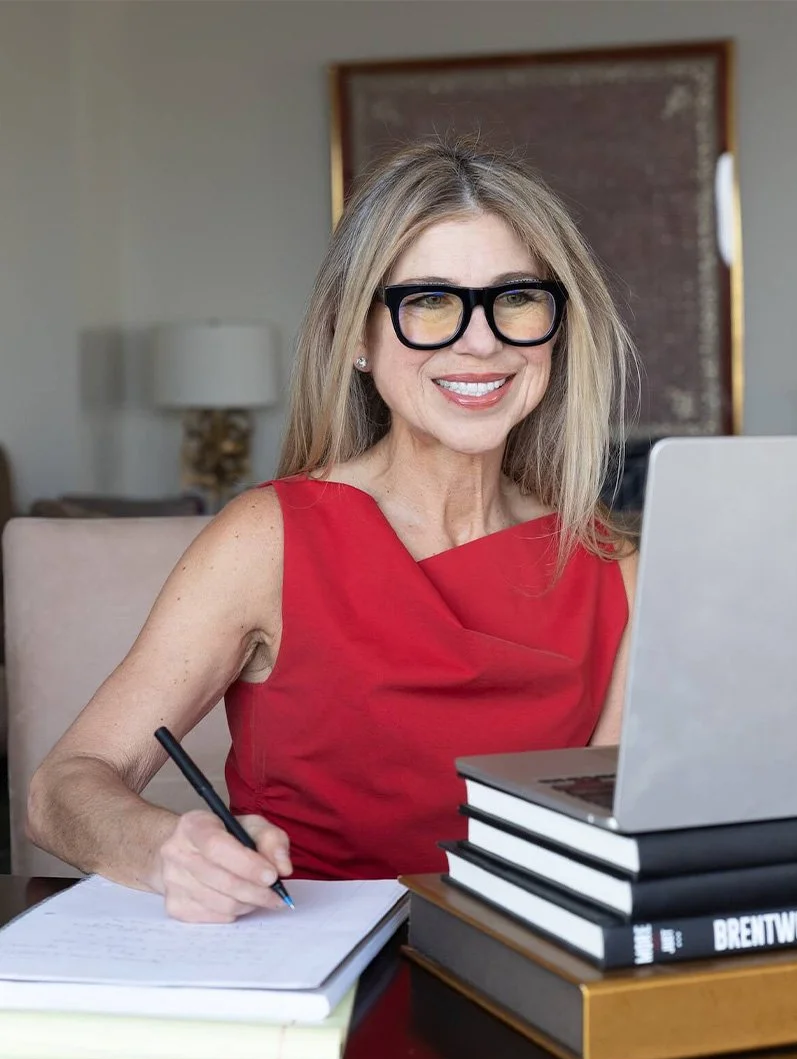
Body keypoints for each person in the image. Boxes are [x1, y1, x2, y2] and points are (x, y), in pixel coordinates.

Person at [27, 139, 640, 923]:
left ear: (557, 326)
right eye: (427, 301)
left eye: (516, 297)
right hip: (311, 978)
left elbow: (608, 850)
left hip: (531, 977)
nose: (480, 341)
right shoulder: (268, 540)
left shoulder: (612, 567)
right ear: (356, 336)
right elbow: (62, 787)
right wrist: (160, 846)